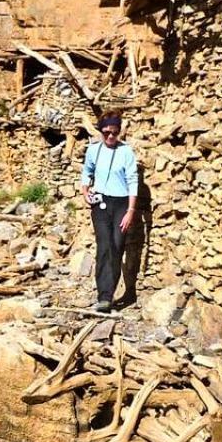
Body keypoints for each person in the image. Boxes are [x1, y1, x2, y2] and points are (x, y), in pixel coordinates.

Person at [80, 112, 139, 313]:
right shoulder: (93, 150)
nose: (111, 137)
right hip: (101, 203)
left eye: (114, 133)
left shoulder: (126, 152)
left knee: (117, 245)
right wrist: (85, 191)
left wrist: (131, 211)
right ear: (101, 132)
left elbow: (133, 180)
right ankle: (104, 297)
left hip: (122, 203)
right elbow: (86, 172)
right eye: (106, 133)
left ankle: (114, 290)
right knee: (104, 246)